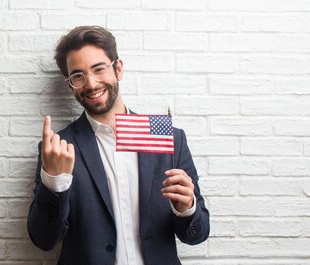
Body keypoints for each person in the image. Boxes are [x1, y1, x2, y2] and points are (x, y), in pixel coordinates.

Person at [27, 26, 210, 265]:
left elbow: (197, 234)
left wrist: (186, 208)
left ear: (118, 68)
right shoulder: (57, 149)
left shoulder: (168, 138)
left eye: (99, 69)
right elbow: (44, 240)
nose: (91, 84)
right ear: (70, 85)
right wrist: (54, 182)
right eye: (78, 76)